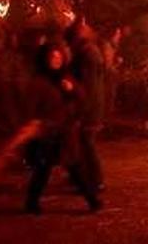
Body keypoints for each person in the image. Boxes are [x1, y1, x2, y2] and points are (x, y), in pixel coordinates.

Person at [24, 43, 103, 214]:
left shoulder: (66, 78)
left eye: (59, 57)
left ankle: (92, 200)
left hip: (65, 132)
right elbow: (30, 108)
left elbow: (83, 99)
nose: (56, 60)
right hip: (47, 133)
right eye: (52, 57)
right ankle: (31, 202)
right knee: (42, 170)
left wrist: (72, 89)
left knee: (76, 168)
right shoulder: (39, 82)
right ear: (46, 59)